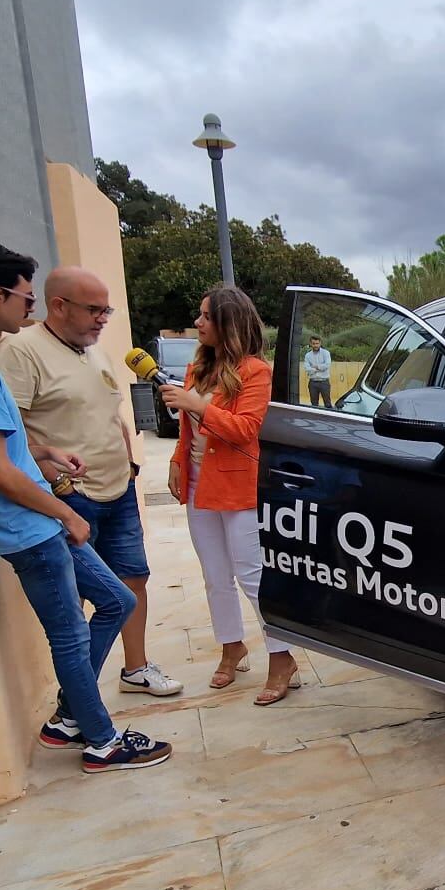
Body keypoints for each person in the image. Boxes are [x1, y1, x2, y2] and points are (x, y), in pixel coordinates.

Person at [0, 241, 171, 773]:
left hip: (35, 520)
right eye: (26, 297)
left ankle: (68, 718)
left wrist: (44, 452)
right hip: (27, 527)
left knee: (117, 600)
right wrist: (66, 512)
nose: (30, 308)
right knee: (71, 634)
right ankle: (102, 742)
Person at [0, 266, 184, 699]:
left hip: (119, 490)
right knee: (78, 596)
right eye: (94, 310)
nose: (102, 319)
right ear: (59, 306)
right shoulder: (21, 352)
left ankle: (136, 669)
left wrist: (130, 465)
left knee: (133, 579)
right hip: (72, 497)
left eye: (106, 311)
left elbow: (112, 414)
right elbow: (8, 433)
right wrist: (55, 479)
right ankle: (79, 696)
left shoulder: (93, 351)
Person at [161, 286, 301, 705]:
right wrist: (177, 459)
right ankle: (231, 646)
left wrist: (199, 405)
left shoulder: (255, 371)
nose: (198, 322)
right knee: (214, 575)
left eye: (206, 316)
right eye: (200, 314)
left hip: (239, 486)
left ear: (229, 323)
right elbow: (187, 430)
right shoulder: (197, 368)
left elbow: (245, 430)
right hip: (197, 484)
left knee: (251, 575)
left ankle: (282, 657)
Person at [303, 334, 333, 408]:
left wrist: (315, 367)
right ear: (310, 344)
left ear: (320, 343)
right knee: (314, 404)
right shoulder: (308, 355)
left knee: (328, 404)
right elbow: (307, 369)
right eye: (314, 343)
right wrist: (320, 368)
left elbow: (327, 365)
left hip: (324, 382)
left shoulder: (326, 353)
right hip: (313, 383)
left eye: (317, 343)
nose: (315, 345)